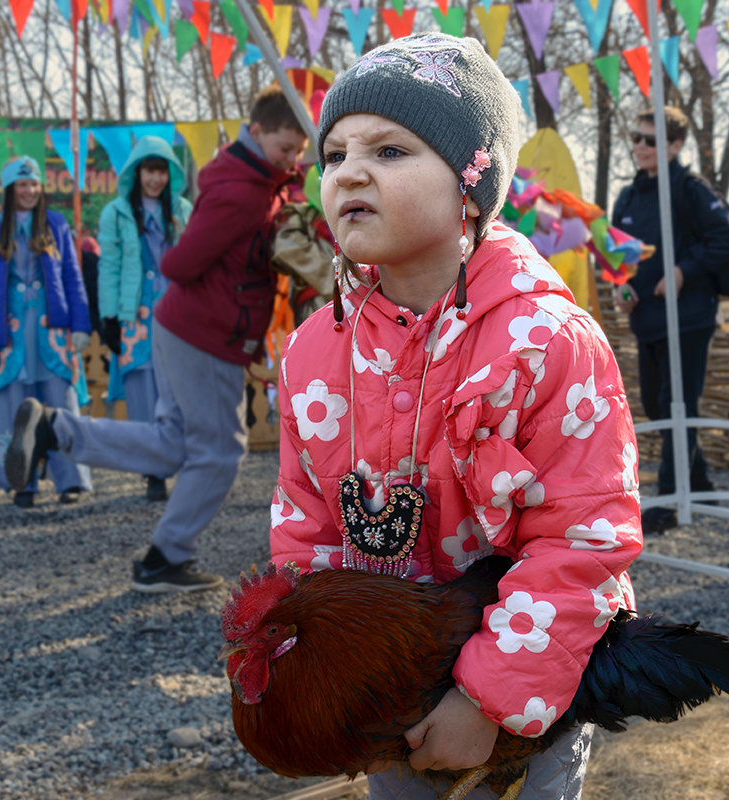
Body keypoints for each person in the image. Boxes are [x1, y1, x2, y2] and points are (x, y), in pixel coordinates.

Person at [270, 34, 641, 800]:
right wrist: (330, 672)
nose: (350, 172)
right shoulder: (312, 352)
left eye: (391, 150)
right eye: (334, 154)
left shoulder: (545, 345)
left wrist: (485, 700)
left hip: (526, 698)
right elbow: (305, 525)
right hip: (390, 701)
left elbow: (582, 538)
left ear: (471, 184)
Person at [5, 85, 308, 591]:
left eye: (300, 150)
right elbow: (178, 262)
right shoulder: (243, 192)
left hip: (186, 328)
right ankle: (166, 555)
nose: (294, 158)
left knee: (174, 447)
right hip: (203, 334)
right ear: (255, 133)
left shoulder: (255, 179)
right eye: (285, 148)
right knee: (219, 452)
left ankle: (55, 431)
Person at [611, 106, 729, 535]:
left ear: (674, 145)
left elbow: (727, 240)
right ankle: (702, 482)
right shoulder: (628, 197)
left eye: (651, 140)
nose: (640, 146)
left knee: (677, 405)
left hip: (687, 317)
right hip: (649, 319)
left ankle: (668, 501)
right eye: (637, 137)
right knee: (656, 404)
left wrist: (684, 269)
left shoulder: (690, 190)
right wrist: (621, 285)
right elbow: (619, 257)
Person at [0, 156, 93, 508]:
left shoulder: (55, 224)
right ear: (9, 190)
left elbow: (72, 276)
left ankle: (71, 480)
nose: (29, 191)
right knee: (13, 408)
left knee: (62, 404)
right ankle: (20, 483)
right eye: (22, 184)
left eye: (35, 184)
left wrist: (81, 325)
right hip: (8, 334)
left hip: (52, 332)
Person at [97, 135, 193, 503]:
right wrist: (108, 316)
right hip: (134, 313)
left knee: (181, 390)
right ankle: (153, 471)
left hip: (177, 314)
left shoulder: (182, 210)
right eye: (149, 171)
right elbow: (109, 265)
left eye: (162, 171)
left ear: (170, 173)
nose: (155, 179)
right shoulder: (116, 212)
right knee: (141, 393)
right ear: (137, 173)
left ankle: (183, 465)